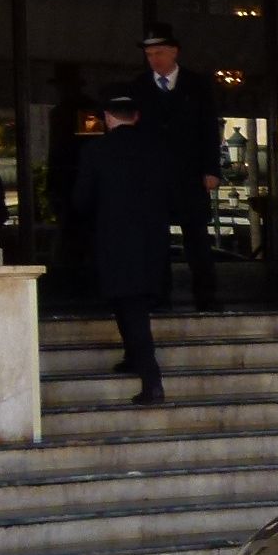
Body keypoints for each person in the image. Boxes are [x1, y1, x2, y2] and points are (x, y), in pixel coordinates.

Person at [74, 92, 171, 405]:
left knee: (130, 307)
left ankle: (152, 381)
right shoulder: (156, 148)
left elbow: (82, 199)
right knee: (132, 304)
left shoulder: (96, 150)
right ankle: (132, 356)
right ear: (136, 116)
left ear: (107, 117)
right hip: (153, 241)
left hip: (115, 240)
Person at [134, 24, 223, 311]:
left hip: (190, 175)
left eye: (159, 53)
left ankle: (206, 295)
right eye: (149, 54)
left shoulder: (197, 85)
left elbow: (209, 129)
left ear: (175, 52)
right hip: (153, 177)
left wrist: (211, 170)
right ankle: (159, 295)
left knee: (196, 238)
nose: (154, 59)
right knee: (156, 239)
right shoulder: (138, 87)